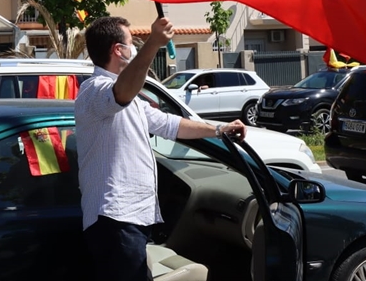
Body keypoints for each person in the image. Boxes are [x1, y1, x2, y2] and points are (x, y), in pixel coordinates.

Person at [75, 16, 247, 281]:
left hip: (130, 218)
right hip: (114, 218)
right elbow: (120, 93)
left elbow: (172, 125)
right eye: (132, 43)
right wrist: (154, 43)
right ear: (117, 50)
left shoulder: (131, 100)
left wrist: (218, 129)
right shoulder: (94, 90)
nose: (135, 48)